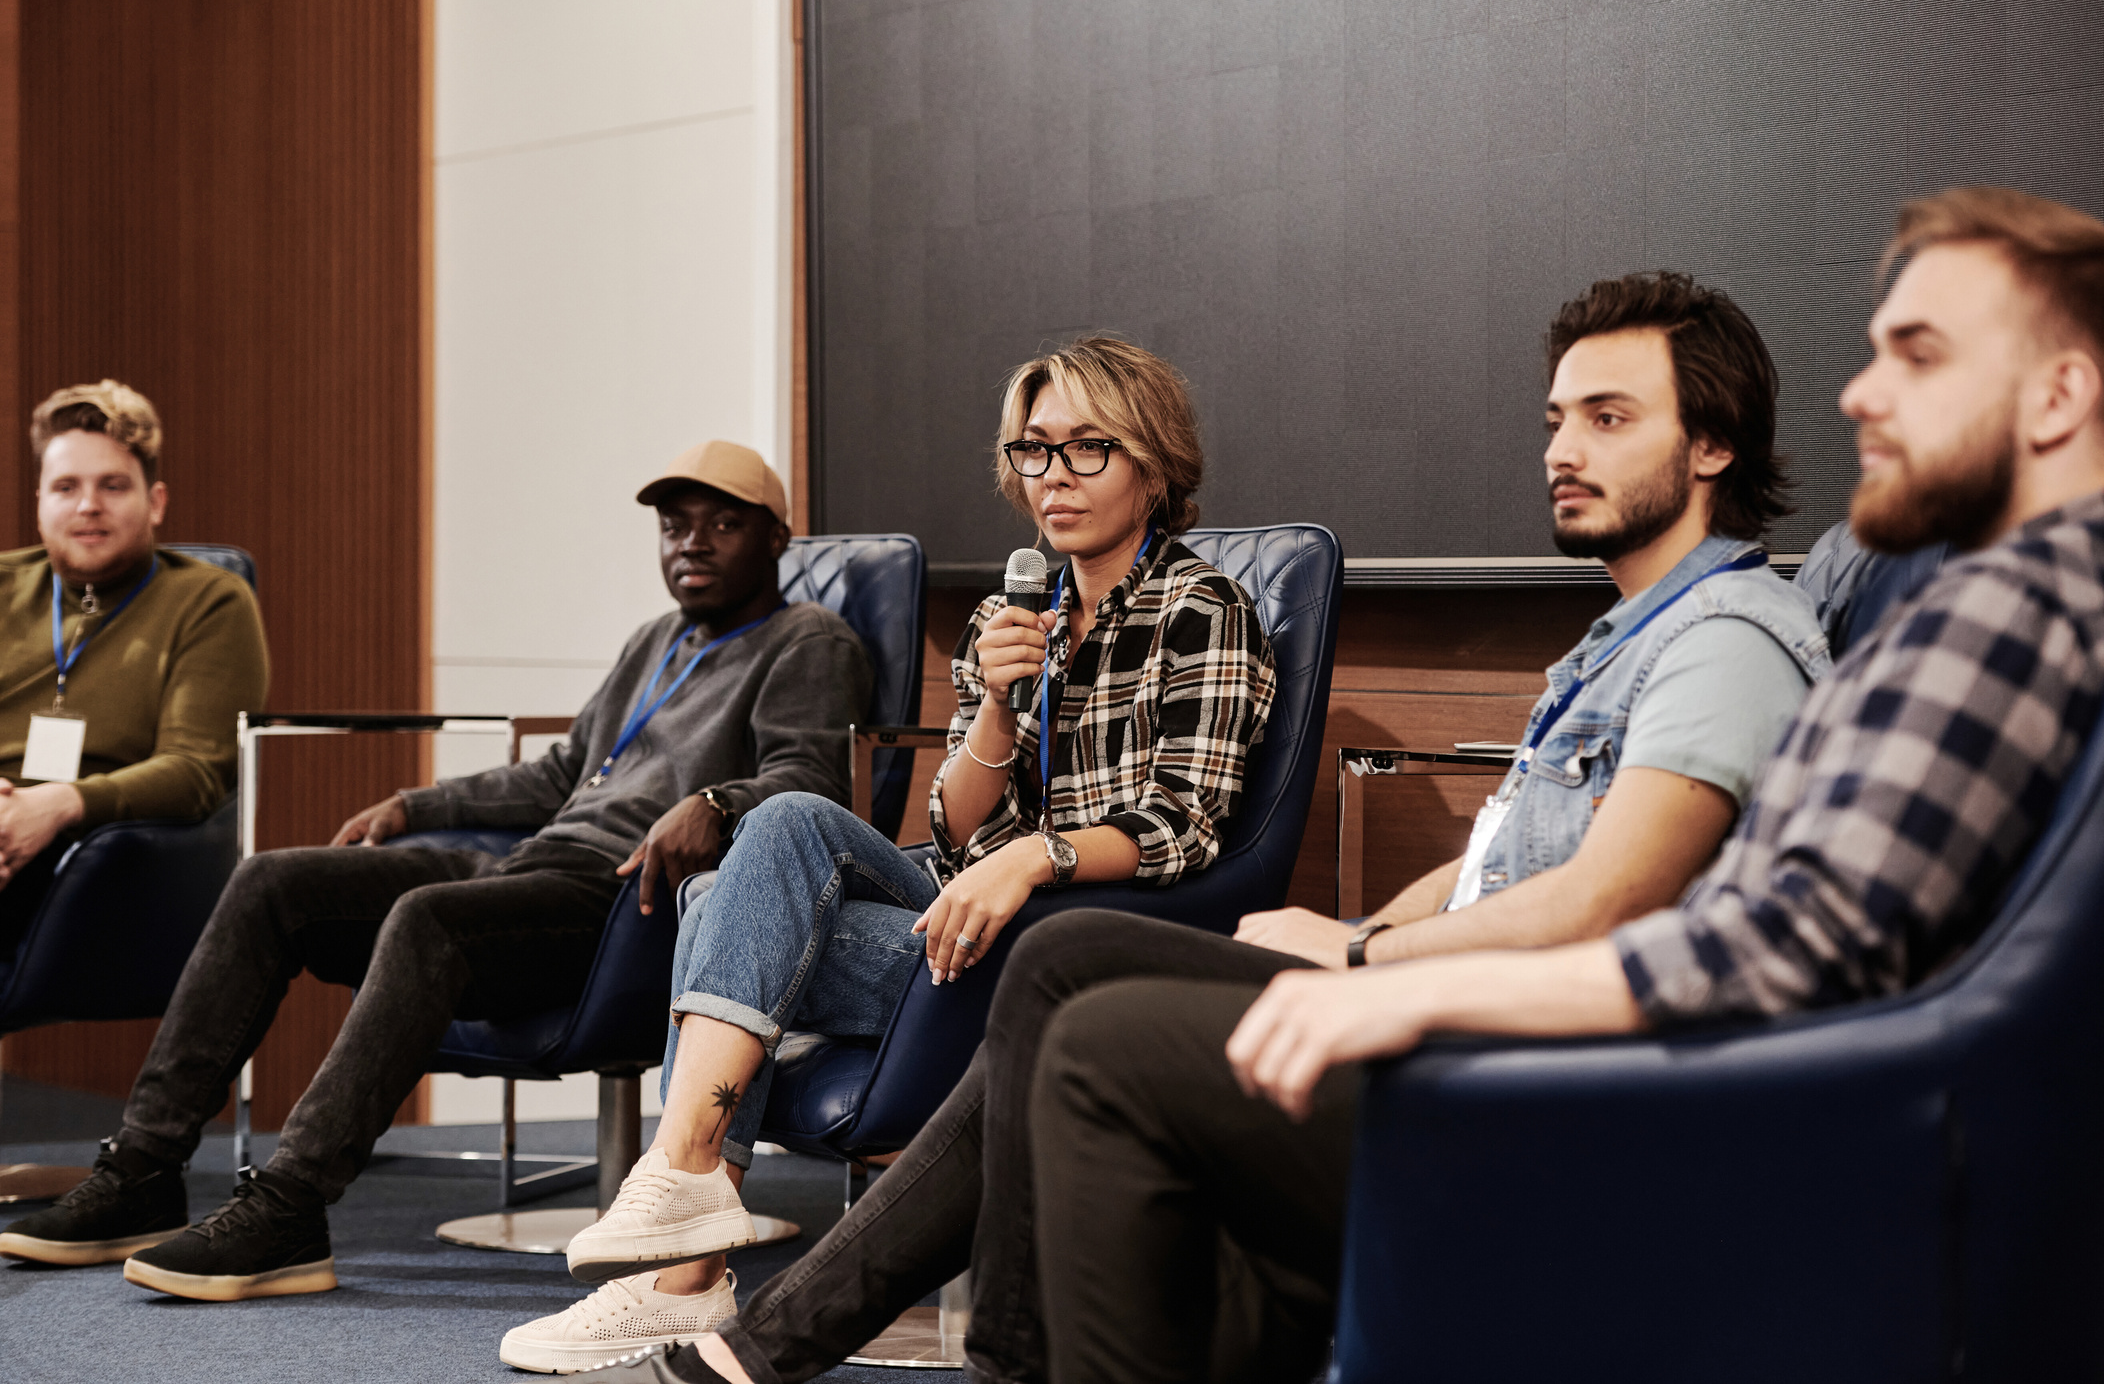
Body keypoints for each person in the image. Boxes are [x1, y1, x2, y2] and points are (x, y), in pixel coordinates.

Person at [561, 269, 1839, 1384]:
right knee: (775, 831)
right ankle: (712, 1231)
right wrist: (1354, 919)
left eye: (1608, 418)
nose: (1562, 446)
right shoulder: (1616, 645)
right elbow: (1501, 850)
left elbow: (1605, 900)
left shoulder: (1726, 640)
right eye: (1556, 417)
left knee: (1057, 962)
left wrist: (1346, 959)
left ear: (1712, 443)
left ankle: (765, 1315)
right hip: (1121, 936)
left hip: (1487, 1044)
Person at [997, 185, 2104, 1380]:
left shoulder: (2003, 600)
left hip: (1703, 1118)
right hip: (1712, 1081)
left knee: (1109, 1044)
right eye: (1554, 419)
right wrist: (1375, 945)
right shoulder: (1975, 597)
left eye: (1917, 354)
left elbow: (1774, 944)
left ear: (2060, 394)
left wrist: (1393, 983)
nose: (1857, 393)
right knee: (1114, 1018)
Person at [496, 335, 1278, 1374]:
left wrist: (1034, 857)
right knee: (756, 850)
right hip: (962, 915)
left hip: (1070, 940)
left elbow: (1186, 824)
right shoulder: (1015, 613)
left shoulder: (1203, 611)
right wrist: (996, 700)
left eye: (1089, 448)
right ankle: (686, 1203)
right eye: (1035, 450)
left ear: (1154, 461)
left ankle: (683, 1254)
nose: (1054, 476)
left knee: (731, 899)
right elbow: (957, 825)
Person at [0, 439, 873, 1306]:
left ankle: (289, 1204)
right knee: (274, 882)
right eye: (676, 525)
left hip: (629, 901)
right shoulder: (657, 639)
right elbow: (558, 775)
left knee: (429, 918)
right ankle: (143, 1167)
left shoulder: (808, 639)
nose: (692, 542)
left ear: (778, 541)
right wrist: (413, 806)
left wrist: (718, 803)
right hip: (541, 866)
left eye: (724, 524)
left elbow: (809, 785)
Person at [0, 379, 268, 952]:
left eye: (113, 485)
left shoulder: (208, 601)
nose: (87, 505)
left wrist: (59, 804)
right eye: (65, 487)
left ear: (156, 502)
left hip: (100, 865)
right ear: (40, 503)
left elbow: (196, 770)